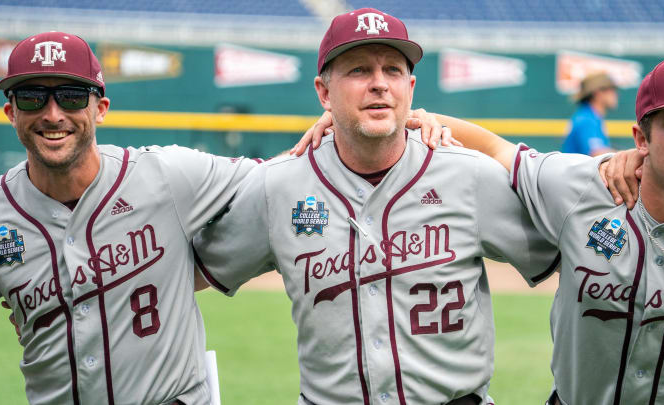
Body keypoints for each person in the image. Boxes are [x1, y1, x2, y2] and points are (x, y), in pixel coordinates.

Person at [0, 31, 456, 404]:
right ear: (10, 111)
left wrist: (339, 130)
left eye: (72, 96)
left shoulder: (166, 175)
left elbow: (280, 184)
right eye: (33, 98)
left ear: (101, 107)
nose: (53, 114)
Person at [193, 8, 559, 405]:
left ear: (411, 87)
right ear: (323, 92)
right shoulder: (279, 187)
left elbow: (569, 257)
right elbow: (190, 273)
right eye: (359, 71)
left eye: (393, 70)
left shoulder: (469, 176)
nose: (380, 84)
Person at [424, 54, 664, 404]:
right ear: (641, 138)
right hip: (584, 209)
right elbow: (497, 148)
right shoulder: (580, 180)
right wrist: (413, 120)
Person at [561, 71, 619, 156]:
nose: (616, 94)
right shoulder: (587, 119)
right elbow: (597, 154)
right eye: (611, 90)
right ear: (598, 94)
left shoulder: (589, 116)